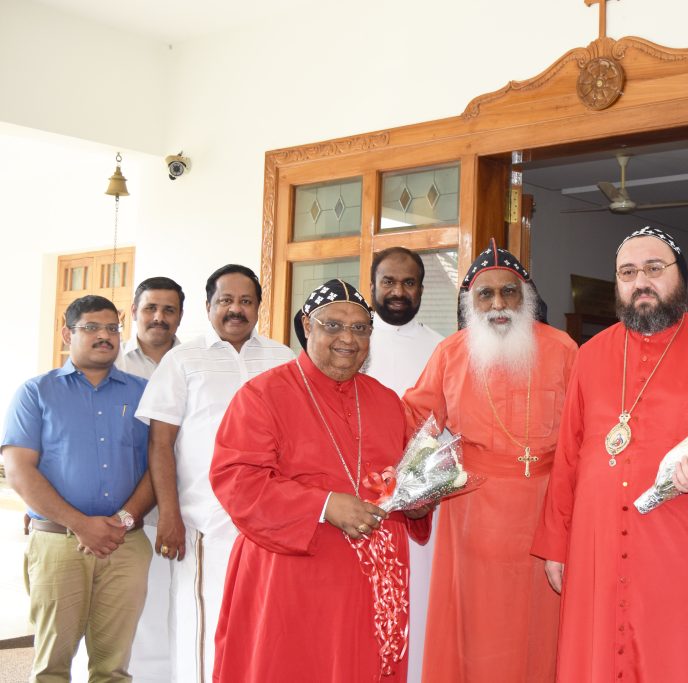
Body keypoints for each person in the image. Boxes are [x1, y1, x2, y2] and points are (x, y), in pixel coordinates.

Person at [533, 226, 688, 682]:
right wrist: (556, 547)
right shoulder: (590, 354)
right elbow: (568, 456)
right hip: (599, 546)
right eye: (628, 272)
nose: (640, 282)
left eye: (653, 268)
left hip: (686, 545)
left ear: (681, 277)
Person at [209, 278, 431, 682]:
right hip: (292, 579)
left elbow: (404, 479)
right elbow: (238, 481)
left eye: (360, 328)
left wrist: (419, 503)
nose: (348, 338)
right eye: (333, 325)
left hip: (373, 584)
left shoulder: (385, 400)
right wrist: (324, 505)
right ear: (307, 326)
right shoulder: (262, 395)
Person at [404, 239, 577, 683]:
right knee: (477, 629)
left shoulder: (563, 348)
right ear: (471, 302)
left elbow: (585, 432)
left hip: (545, 509)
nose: (498, 304)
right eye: (486, 294)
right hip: (472, 515)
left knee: (543, 626)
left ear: (526, 297)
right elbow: (413, 422)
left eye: (508, 292)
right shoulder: (450, 353)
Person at [135, 264, 293, 683]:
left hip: (271, 524)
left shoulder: (283, 358)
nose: (235, 309)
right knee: (203, 628)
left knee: (264, 628)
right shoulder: (182, 360)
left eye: (246, 301)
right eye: (225, 300)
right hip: (205, 524)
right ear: (208, 307)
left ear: (259, 307)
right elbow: (160, 444)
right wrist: (170, 514)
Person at [3, 295, 153, 682]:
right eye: (92, 327)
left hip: (125, 545)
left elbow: (158, 465)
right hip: (58, 543)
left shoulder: (143, 393)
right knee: (52, 667)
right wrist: (81, 524)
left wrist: (122, 521)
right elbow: (18, 470)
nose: (105, 335)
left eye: (112, 328)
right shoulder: (36, 392)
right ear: (67, 334)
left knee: (113, 667)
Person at [363, 247, 445, 682]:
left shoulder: (443, 348)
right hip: (357, 502)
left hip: (419, 506)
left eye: (408, 283)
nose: (398, 291)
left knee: (420, 602)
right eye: (389, 282)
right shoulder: (353, 340)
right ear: (372, 286)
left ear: (421, 289)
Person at [113, 275, 184, 683]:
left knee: (172, 613)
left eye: (168, 309)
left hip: (181, 510)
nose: (159, 317)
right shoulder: (112, 364)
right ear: (133, 313)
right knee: (125, 620)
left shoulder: (191, 362)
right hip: (123, 514)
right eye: (150, 308)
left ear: (181, 316)